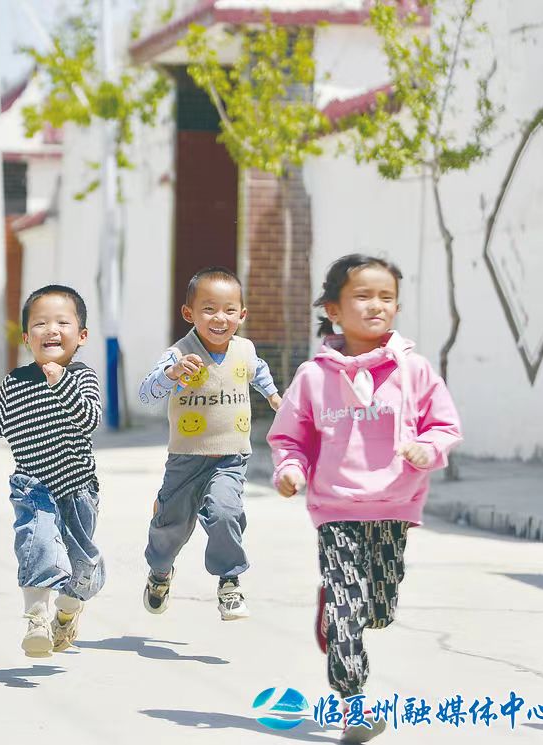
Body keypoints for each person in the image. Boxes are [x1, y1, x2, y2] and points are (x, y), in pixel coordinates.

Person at [267, 254, 462, 743]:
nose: (376, 305)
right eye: (363, 296)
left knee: (378, 609)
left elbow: (444, 424)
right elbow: (290, 436)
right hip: (335, 508)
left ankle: (338, 608)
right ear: (333, 309)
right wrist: (291, 470)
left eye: (386, 297)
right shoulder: (313, 376)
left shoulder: (414, 370)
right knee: (348, 607)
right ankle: (353, 703)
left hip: (395, 504)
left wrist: (428, 448)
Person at [0, 285, 104, 657]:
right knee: (37, 544)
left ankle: (67, 611)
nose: (51, 330)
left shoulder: (82, 377)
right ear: (25, 337)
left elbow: (90, 420)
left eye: (62, 322)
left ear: (81, 335)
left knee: (83, 568)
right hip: (32, 485)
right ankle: (36, 619)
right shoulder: (15, 383)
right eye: (40, 323)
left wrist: (60, 383)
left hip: (78, 488)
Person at [138, 267, 281, 621]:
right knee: (170, 526)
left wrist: (274, 396)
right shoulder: (179, 354)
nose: (220, 318)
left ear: (242, 315)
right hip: (186, 459)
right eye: (209, 309)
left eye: (230, 310)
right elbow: (146, 394)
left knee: (225, 513)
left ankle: (229, 582)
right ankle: (160, 571)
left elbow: (259, 370)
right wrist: (171, 374)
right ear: (189, 313)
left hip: (231, 458)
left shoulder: (245, 350)